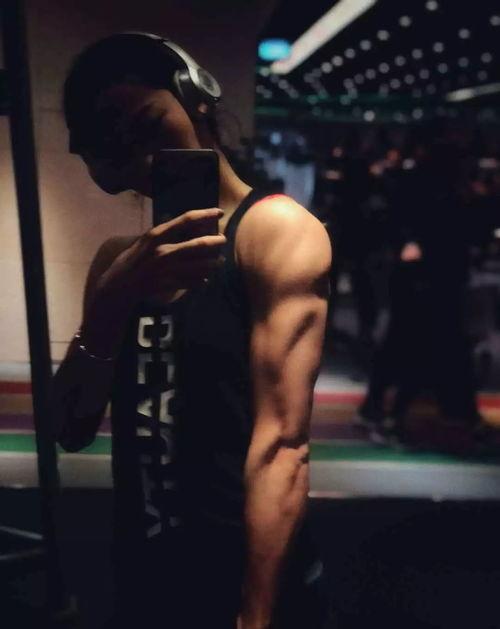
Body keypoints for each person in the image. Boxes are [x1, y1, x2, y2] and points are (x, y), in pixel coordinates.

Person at [51, 32, 332, 628]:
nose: (144, 156)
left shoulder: (274, 232)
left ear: (196, 98)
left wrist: (255, 615)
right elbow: (68, 429)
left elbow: (283, 445)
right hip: (145, 573)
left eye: (150, 124)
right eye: (119, 141)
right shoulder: (119, 262)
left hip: (247, 576)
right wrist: (111, 302)